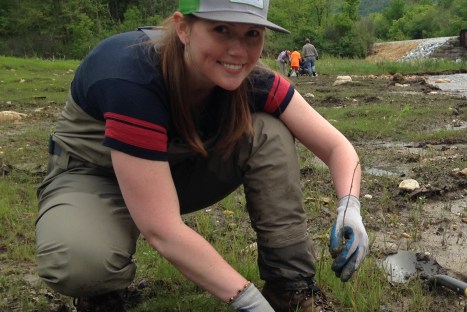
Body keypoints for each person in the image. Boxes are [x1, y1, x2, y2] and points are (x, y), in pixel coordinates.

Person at [34, 0, 368, 311]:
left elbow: (337, 147)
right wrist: (247, 300)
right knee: (79, 261)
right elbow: (160, 227)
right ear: (183, 28)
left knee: (270, 130)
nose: (237, 51)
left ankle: (289, 285)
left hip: (173, 173)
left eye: (251, 34)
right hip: (95, 177)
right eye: (221, 30)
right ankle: (101, 292)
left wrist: (349, 207)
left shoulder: (255, 80)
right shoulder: (131, 74)